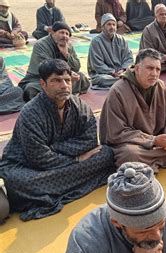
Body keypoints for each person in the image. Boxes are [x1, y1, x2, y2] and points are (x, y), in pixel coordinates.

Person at [0, 59, 115, 221]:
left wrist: (54, 148)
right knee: (19, 181)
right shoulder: (30, 113)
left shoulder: (79, 106)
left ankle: (51, 188)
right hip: (28, 166)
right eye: (56, 80)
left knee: (107, 153)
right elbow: (39, 158)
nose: (64, 85)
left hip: (56, 169)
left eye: (67, 80)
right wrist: (76, 158)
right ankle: (68, 182)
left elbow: (90, 141)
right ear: (43, 84)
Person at [64, 162, 166, 253]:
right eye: (145, 230)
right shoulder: (85, 243)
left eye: (161, 225)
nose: (157, 235)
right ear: (117, 222)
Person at [99, 48, 166, 172]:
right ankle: (160, 158)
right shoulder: (118, 91)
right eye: (150, 68)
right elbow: (116, 133)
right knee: (129, 155)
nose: (154, 74)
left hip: (158, 139)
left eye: (158, 69)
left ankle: (152, 161)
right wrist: (152, 141)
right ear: (137, 68)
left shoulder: (160, 86)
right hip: (134, 144)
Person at [19, 22, 90, 102]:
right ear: (52, 32)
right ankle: (63, 92)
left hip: (64, 78)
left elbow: (77, 66)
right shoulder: (40, 45)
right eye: (61, 32)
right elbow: (45, 67)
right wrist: (68, 73)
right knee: (31, 89)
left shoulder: (68, 45)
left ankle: (58, 93)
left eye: (67, 34)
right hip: (41, 78)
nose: (64, 36)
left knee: (81, 77)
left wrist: (66, 54)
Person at [88, 14, 133, 90]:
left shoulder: (122, 40)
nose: (112, 27)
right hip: (104, 74)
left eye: (114, 24)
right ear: (103, 27)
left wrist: (123, 70)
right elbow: (97, 64)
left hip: (122, 72)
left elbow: (129, 58)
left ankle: (122, 80)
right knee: (102, 79)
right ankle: (124, 81)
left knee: (136, 73)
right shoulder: (96, 42)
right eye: (109, 24)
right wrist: (113, 72)